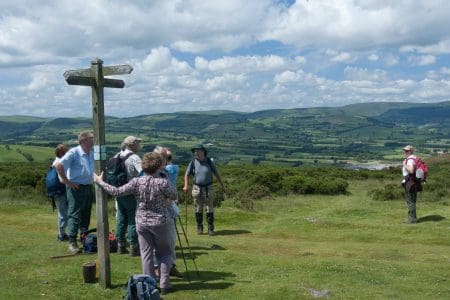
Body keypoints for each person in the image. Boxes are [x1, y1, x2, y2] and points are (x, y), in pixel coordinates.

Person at [94, 152, 177, 294]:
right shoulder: (163, 182)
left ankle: (149, 285)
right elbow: (174, 195)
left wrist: (100, 182)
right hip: (161, 221)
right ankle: (164, 284)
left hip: (142, 221)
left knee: (146, 253)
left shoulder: (137, 182)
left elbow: (117, 192)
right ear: (159, 166)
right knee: (164, 253)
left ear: (144, 167)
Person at [55, 131, 95, 254]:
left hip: (88, 186)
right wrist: (68, 182)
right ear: (83, 141)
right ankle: (72, 241)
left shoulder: (91, 153)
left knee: (86, 213)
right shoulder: (74, 152)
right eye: (91, 139)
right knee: (74, 214)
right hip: (75, 188)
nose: (93, 141)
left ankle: (84, 238)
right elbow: (59, 166)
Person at [153, 146, 183, 278]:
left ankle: (170, 266)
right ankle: (157, 269)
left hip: (167, 209)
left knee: (171, 239)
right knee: (156, 241)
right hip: (155, 211)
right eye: (163, 158)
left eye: (165, 158)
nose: (164, 161)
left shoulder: (168, 171)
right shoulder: (149, 172)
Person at [183, 144, 225, 236]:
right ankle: (199, 227)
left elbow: (217, 174)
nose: (195, 152)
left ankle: (210, 228)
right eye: (194, 151)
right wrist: (186, 185)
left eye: (197, 150)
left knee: (209, 207)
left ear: (203, 151)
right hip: (196, 188)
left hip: (208, 188)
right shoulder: (193, 162)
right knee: (198, 208)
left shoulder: (209, 161)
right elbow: (186, 174)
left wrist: (222, 185)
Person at [115, 136, 143, 256]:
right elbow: (142, 172)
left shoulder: (117, 155)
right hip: (131, 192)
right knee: (133, 219)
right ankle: (134, 247)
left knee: (121, 218)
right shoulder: (134, 157)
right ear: (132, 144)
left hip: (118, 191)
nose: (139, 145)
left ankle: (120, 245)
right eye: (138, 143)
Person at [52, 144, 69, 241]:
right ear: (63, 153)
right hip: (61, 191)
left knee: (62, 212)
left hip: (58, 191)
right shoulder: (59, 163)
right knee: (62, 213)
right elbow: (62, 180)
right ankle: (61, 235)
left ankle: (62, 233)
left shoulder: (56, 161)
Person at [402, 145, 419, 224]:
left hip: (410, 182)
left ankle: (412, 220)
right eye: (405, 150)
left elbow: (411, 171)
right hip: (414, 182)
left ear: (411, 151)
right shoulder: (414, 158)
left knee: (410, 201)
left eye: (407, 150)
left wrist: (404, 164)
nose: (405, 152)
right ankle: (413, 218)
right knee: (412, 200)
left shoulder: (410, 160)